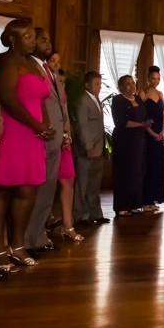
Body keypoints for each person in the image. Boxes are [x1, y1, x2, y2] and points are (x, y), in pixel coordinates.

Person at [0, 20, 52, 270]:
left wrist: (45, 124)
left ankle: (18, 244)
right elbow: (7, 98)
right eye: (26, 36)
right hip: (14, 130)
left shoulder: (32, 64)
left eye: (32, 36)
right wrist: (35, 125)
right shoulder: (4, 61)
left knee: (28, 190)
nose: (32, 40)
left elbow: (42, 98)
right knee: (4, 190)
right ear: (13, 39)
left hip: (33, 135)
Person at [26, 28, 68, 252]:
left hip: (55, 137)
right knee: (34, 190)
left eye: (48, 39)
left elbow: (61, 105)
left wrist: (65, 131)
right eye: (42, 39)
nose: (47, 43)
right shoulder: (29, 66)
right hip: (39, 137)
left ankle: (38, 235)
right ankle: (26, 239)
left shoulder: (49, 70)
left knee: (47, 191)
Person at [46, 56, 81, 241]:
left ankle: (68, 224)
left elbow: (64, 113)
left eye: (59, 62)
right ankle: (43, 223)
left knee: (68, 180)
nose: (57, 65)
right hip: (48, 138)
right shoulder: (43, 82)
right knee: (46, 183)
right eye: (53, 61)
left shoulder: (60, 86)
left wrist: (67, 133)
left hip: (64, 140)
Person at [111, 75, 150, 216]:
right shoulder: (117, 100)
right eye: (127, 84)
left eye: (133, 83)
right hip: (124, 140)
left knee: (137, 171)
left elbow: (144, 116)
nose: (131, 86)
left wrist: (146, 123)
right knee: (124, 172)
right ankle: (122, 206)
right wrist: (141, 124)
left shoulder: (139, 99)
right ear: (120, 87)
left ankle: (135, 204)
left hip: (138, 139)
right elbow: (121, 122)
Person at [73, 71, 107, 226]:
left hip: (98, 149)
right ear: (87, 84)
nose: (99, 87)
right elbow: (82, 124)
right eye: (96, 84)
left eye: (100, 84)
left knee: (94, 184)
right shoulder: (83, 100)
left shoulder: (96, 100)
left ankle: (95, 213)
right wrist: (88, 146)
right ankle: (80, 216)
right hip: (87, 149)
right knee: (83, 184)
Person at [140, 66, 164, 211]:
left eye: (158, 78)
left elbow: (163, 113)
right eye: (153, 78)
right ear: (148, 79)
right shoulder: (143, 93)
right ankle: (145, 201)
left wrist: (162, 131)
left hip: (159, 134)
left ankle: (153, 200)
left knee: (157, 166)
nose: (155, 81)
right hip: (148, 135)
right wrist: (152, 133)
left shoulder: (161, 93)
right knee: (148, 167)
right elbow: (142, 117)